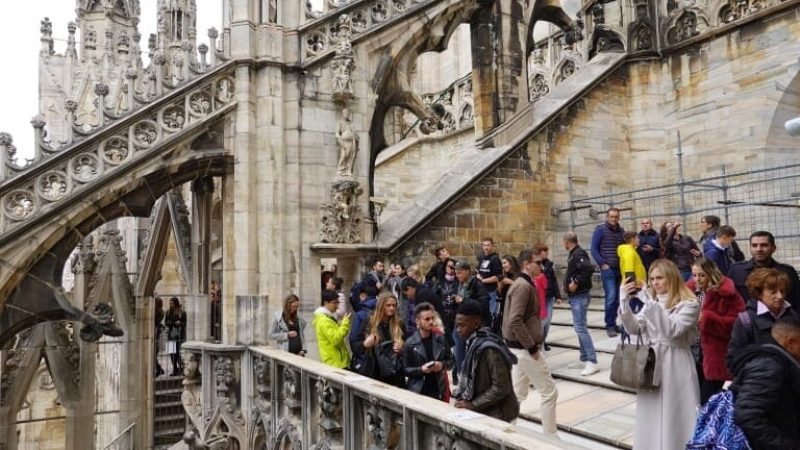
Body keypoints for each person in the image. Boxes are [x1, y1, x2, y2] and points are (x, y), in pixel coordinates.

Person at [619, 259, 700, 449]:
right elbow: (634, 329)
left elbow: (672, 330)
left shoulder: (689, 304)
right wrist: (624, 301)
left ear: (671, 278)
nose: (655, 282)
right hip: (652, 363)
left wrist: (648, 300)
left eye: (660, 278)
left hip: (676, 363)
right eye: (652, 278)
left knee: (677, 412)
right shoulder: (652, 303)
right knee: (651, 412)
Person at [502, 249, 559, 433]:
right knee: (549, 392)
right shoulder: (522, 286)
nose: (541, 266)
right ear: (527, 264)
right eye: (537, 262)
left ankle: (507, 430)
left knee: (517, 393)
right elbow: (515, 320)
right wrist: (532, 347)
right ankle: (550, 437)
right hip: (524, 349)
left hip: (518, 349)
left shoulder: (523, 284)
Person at [730, 316, 800, 449]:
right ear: (790, 343)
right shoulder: (769, 366)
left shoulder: (777, 361)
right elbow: (747, 415)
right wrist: (788, 446)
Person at [687, 258, 745, 404]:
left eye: (701, 275)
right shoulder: (688, 292)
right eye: (694, 275)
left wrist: (708, 319)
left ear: (711, 273)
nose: (697, 279)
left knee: (707, 398)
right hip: (692, 349)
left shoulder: (727, 294)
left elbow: (738, 323)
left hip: (715, 353)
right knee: (694, 395)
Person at [453, 300, 519, 422]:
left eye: (462, 325)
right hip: (485, 411)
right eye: (457, 325)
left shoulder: (489, 349)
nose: (458, 329)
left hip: (498, 414)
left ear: (476, 324)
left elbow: (501, 387)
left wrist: (473, 405)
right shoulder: (472, 344)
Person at [726, 268, 800, 372]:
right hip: (762, 381)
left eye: (782, 291)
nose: (780, 296)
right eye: (773, 292)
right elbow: (734, 360)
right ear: (759, 293)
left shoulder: (792, 315)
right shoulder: (746, 320)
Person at [728, 231, 800, 309]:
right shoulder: (737, 271)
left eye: (764, 245)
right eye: (754, 245)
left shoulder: (787, 272)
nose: (759, 249)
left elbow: (796, 301)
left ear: (773, 248)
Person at [352, 292, 407, 387]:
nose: (392, 308)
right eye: (388, 305)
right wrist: (365, 344)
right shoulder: (369, 322)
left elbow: (408, 345)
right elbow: (355, 345)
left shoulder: (399, 323)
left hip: (394, 373)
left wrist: (401, 348)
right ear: (381, 305)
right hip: (374, 370)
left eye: (394, 305)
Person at [563, 232, 599, 376]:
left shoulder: (578, 253)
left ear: (567, 241)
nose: (563, 244)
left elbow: (589, 268)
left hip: (580, 296)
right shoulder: (574, 253)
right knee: (579, 327)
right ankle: (584, 357)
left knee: (580, 328)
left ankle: (592, 360)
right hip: (575, 297)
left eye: (563, 242)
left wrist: (576, 282)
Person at [403, 302, 454, 401]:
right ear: (417, 321)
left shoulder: (440, 339)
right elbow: (405, 369)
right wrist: (421, 370)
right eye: (427, 319)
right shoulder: (410, 343)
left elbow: (451, 362)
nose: (431, 322)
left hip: (438, 390)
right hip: (418, 391)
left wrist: (441, 365)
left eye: (432, 318)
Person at [452, 260, 490, 384]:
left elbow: (483, 306)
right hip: (459, 324)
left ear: (468, 271)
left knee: (469, 355)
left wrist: (463, 300)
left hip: (472, 325)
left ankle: (469, 382)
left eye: (460, 273)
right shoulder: (458, 284)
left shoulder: (477, 284)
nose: (458, 276)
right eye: (456, 273)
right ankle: (461, 380)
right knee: (459, 355)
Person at [590, 207, 626, 337]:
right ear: (607, 217)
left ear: (619, 217)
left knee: (617, 298)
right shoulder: (600, 230)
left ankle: (613, 322)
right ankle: (609, 325)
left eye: (616, 216)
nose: (614, 219)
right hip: (608, 269)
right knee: (611, 297)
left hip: (619, 269)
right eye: (611, 216)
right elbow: (594, 249)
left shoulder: (622, 231)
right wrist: (602, 264)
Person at [313, 290, 352, 368]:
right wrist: (344, 324)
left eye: (338, 302)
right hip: (335, 364)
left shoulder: (329, 317)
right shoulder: (323, 321)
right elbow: (335, 339)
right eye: (334, 303)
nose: (337, 306)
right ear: (325, 303)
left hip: (338, 362)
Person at [533, 244, 561, 351]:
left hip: (549, 297)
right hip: (540, 297)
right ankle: (540, 342)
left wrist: (558, 296)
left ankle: (543, 341)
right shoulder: (535, 265)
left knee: (547, 321)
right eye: (543, 251)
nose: (545, 253)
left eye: (546, 251)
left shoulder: (549, 264)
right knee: (541, 321)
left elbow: (553, 280)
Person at [349, 285, 379, 373]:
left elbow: (354, 341)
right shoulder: (381, 310)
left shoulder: (361, 314)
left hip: (365, 361)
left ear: (363, 296)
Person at [476, 237, 503, 320]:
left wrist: (483, 280)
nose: (486, 247)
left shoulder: (495, 258)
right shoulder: (481, 257)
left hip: (491, 291)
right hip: (481, 292)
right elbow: (478, 270)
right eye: (484, 245)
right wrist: (477, 274)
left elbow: (497, 277)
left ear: (492, 246)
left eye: (488, 245)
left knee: (491, 315)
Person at [496, 255, 520, 334]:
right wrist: (499, 287)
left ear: (511, 263)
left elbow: (523, 288)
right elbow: (499, 294)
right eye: (502, 264)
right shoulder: (504, 275)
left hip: (515, 305)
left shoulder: (519, 275)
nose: (503, 266)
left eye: (505, 263)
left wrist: (511, 282)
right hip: (505, 306)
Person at [165, 297, 187, 376]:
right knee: (171, 352)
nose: (171, 305)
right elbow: (166, 322)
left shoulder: (182, 312)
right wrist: (172, 323)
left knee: (177, 352)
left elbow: (185, 323)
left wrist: (179, 323)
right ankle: (175, 368)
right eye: (170, 303)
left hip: (179, 335)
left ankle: (181, 368)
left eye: (173, 303)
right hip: (171, 334)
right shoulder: (168, 312)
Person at [154, 297, 165, 377]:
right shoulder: (164, 312)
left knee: (174, 353)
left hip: (174, 336)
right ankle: (159, 369)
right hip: (169, 336)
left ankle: (159, 369)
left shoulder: (159, 312)